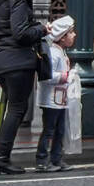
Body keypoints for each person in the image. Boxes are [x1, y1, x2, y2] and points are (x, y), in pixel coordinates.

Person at [0, 0, 49, 175]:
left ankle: (0, 158)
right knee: (16, 109)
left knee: (13, 109)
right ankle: (0, 158)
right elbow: (21, 33)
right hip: (17, 60)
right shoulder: (18, 1)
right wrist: (42, 29)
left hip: (1, 59)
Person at [35, 16, 76, 172]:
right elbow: (48, 76)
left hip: (59, 99)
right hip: (51, 99)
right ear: (62, 37)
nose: (74, 35)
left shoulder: (61, 52)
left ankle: (56, 158)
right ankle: (42, 160)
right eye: (71, 32)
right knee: (49, 130)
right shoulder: (54, 53)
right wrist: (66, 77)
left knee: (59, 130)